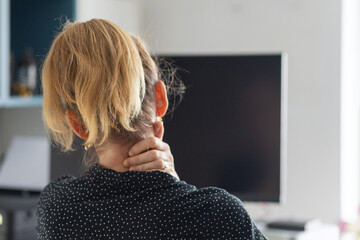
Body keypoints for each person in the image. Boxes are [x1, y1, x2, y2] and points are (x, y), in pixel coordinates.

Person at [37, 19, 267, 239]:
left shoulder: (56, 209)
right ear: (160, 98)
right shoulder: (219, 216)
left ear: (78, 126)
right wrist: (174, 182)